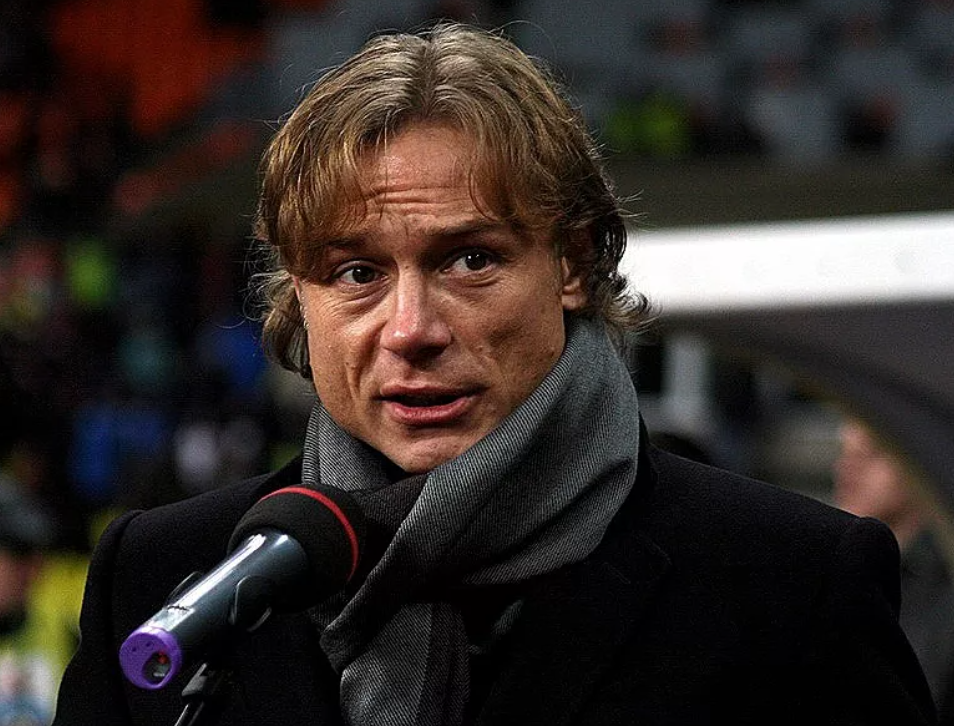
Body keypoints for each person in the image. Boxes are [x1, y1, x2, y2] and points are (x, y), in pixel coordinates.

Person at [54, 23, 934, 725]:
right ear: (299, 297)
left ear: (573, 264)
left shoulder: (792, 585)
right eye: (356, 272)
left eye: (469, 259)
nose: (411, 330)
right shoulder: (164, 577)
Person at [834, 417, 954, 721]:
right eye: (844, 452)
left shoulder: (943, 586)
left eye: (872, 453)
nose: (848, 467)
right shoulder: (832, 565)